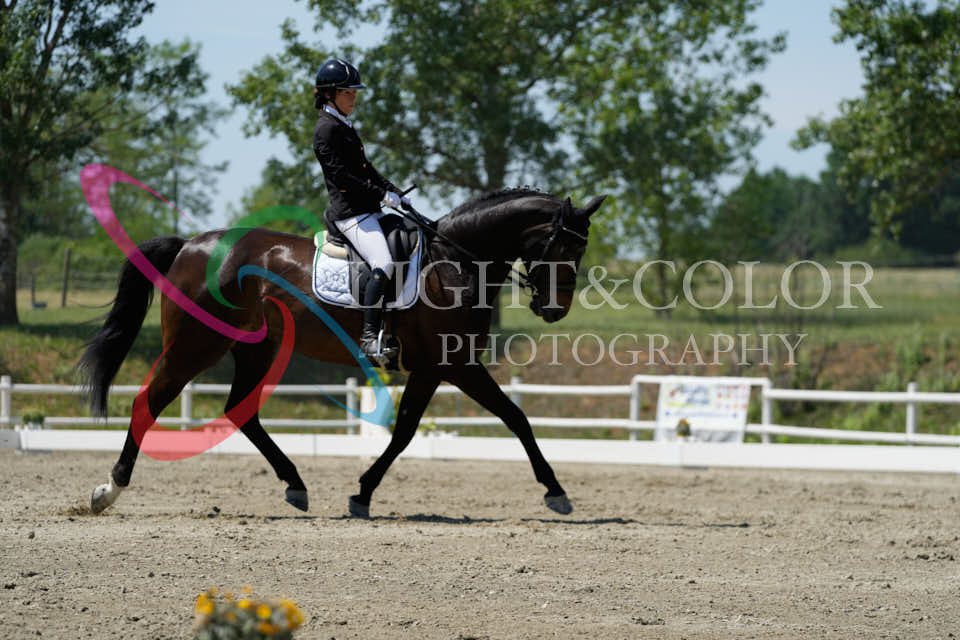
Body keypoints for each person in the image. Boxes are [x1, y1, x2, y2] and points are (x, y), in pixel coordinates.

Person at [312, 58, 408, 361]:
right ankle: (368, 338)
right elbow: (342, 177)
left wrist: (393, 190)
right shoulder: (326, 129)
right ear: (329, 94)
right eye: (347, 93)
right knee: (383, 262)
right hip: (350, 214)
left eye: (354, 93)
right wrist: (381, 195)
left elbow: (366, 169)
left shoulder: (343, 125)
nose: (353, 99)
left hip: (368, 210)